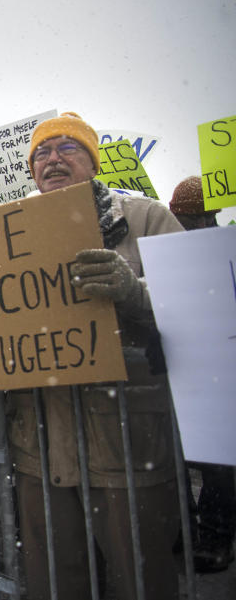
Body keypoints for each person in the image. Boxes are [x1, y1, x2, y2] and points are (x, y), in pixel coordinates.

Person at [0, 112, 184, 600]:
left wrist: (135, 293)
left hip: (127, 442)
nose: (53, 159)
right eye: (42, 152)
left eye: (68, 148)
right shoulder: (10, 235)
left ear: (92, 159)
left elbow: (201, 311)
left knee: (141, 578)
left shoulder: (145, 218)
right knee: (56, 580)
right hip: (39, 446)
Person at [169, 175, 235, 574]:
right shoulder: (164, 249)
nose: (200, 225)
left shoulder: (221, 250)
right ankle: (188, 531)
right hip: (181, 373)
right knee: (179, 460)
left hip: (214, 372)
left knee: (217, 465)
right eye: (192, 218)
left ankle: (212, 537)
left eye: (204, 217)